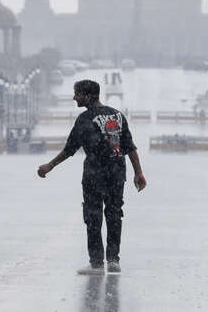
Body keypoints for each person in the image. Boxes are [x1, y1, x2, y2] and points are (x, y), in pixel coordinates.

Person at [37, 80, 146, 275]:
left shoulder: (85, 119)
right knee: (114, 215)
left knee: (93, 216)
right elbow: (130, 147)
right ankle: (113, 261)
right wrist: (139, 172)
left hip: (94, 174)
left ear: (88, 96)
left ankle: (96, 263)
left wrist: (49, 166)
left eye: (77, 94)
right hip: (116, 172)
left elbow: (70, 149)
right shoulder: (117, 115)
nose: (74, 97)